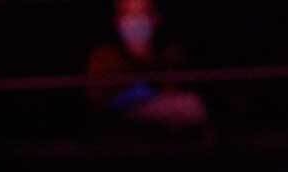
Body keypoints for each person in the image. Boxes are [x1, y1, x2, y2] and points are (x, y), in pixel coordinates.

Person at [86, 0, 207, 131]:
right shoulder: (104, 57)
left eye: (142, 13)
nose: (135, 21)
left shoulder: (170, 55)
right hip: (119, 135)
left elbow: (179, 93)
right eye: (128, 14)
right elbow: (100, 102)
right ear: (117, 20)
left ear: (155, 19)